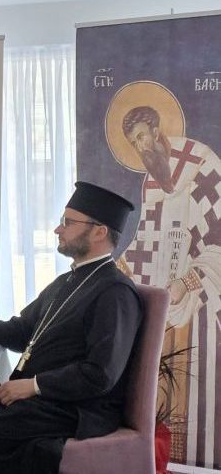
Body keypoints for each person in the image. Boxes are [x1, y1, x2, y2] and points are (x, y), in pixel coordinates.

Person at [0, 182, 143, 474]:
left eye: (68, 222)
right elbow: (23, 329)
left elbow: (100, 373)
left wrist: (34, 386)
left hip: (76, 407)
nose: (57, 229)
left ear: (99, 232)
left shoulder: (115, 292)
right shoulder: (66, 281)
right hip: (45, 400)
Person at [117, 105, 221, 462]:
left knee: (198, 394)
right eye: (134, 143)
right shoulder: (152, 180)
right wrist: (121, 267)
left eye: (142, 137)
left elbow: (218, 237)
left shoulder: (201, 162)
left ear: (157, 128)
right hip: (165, 311)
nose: (141, 147)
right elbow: (146, 241)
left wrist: (188, 281)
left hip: (200, 305)